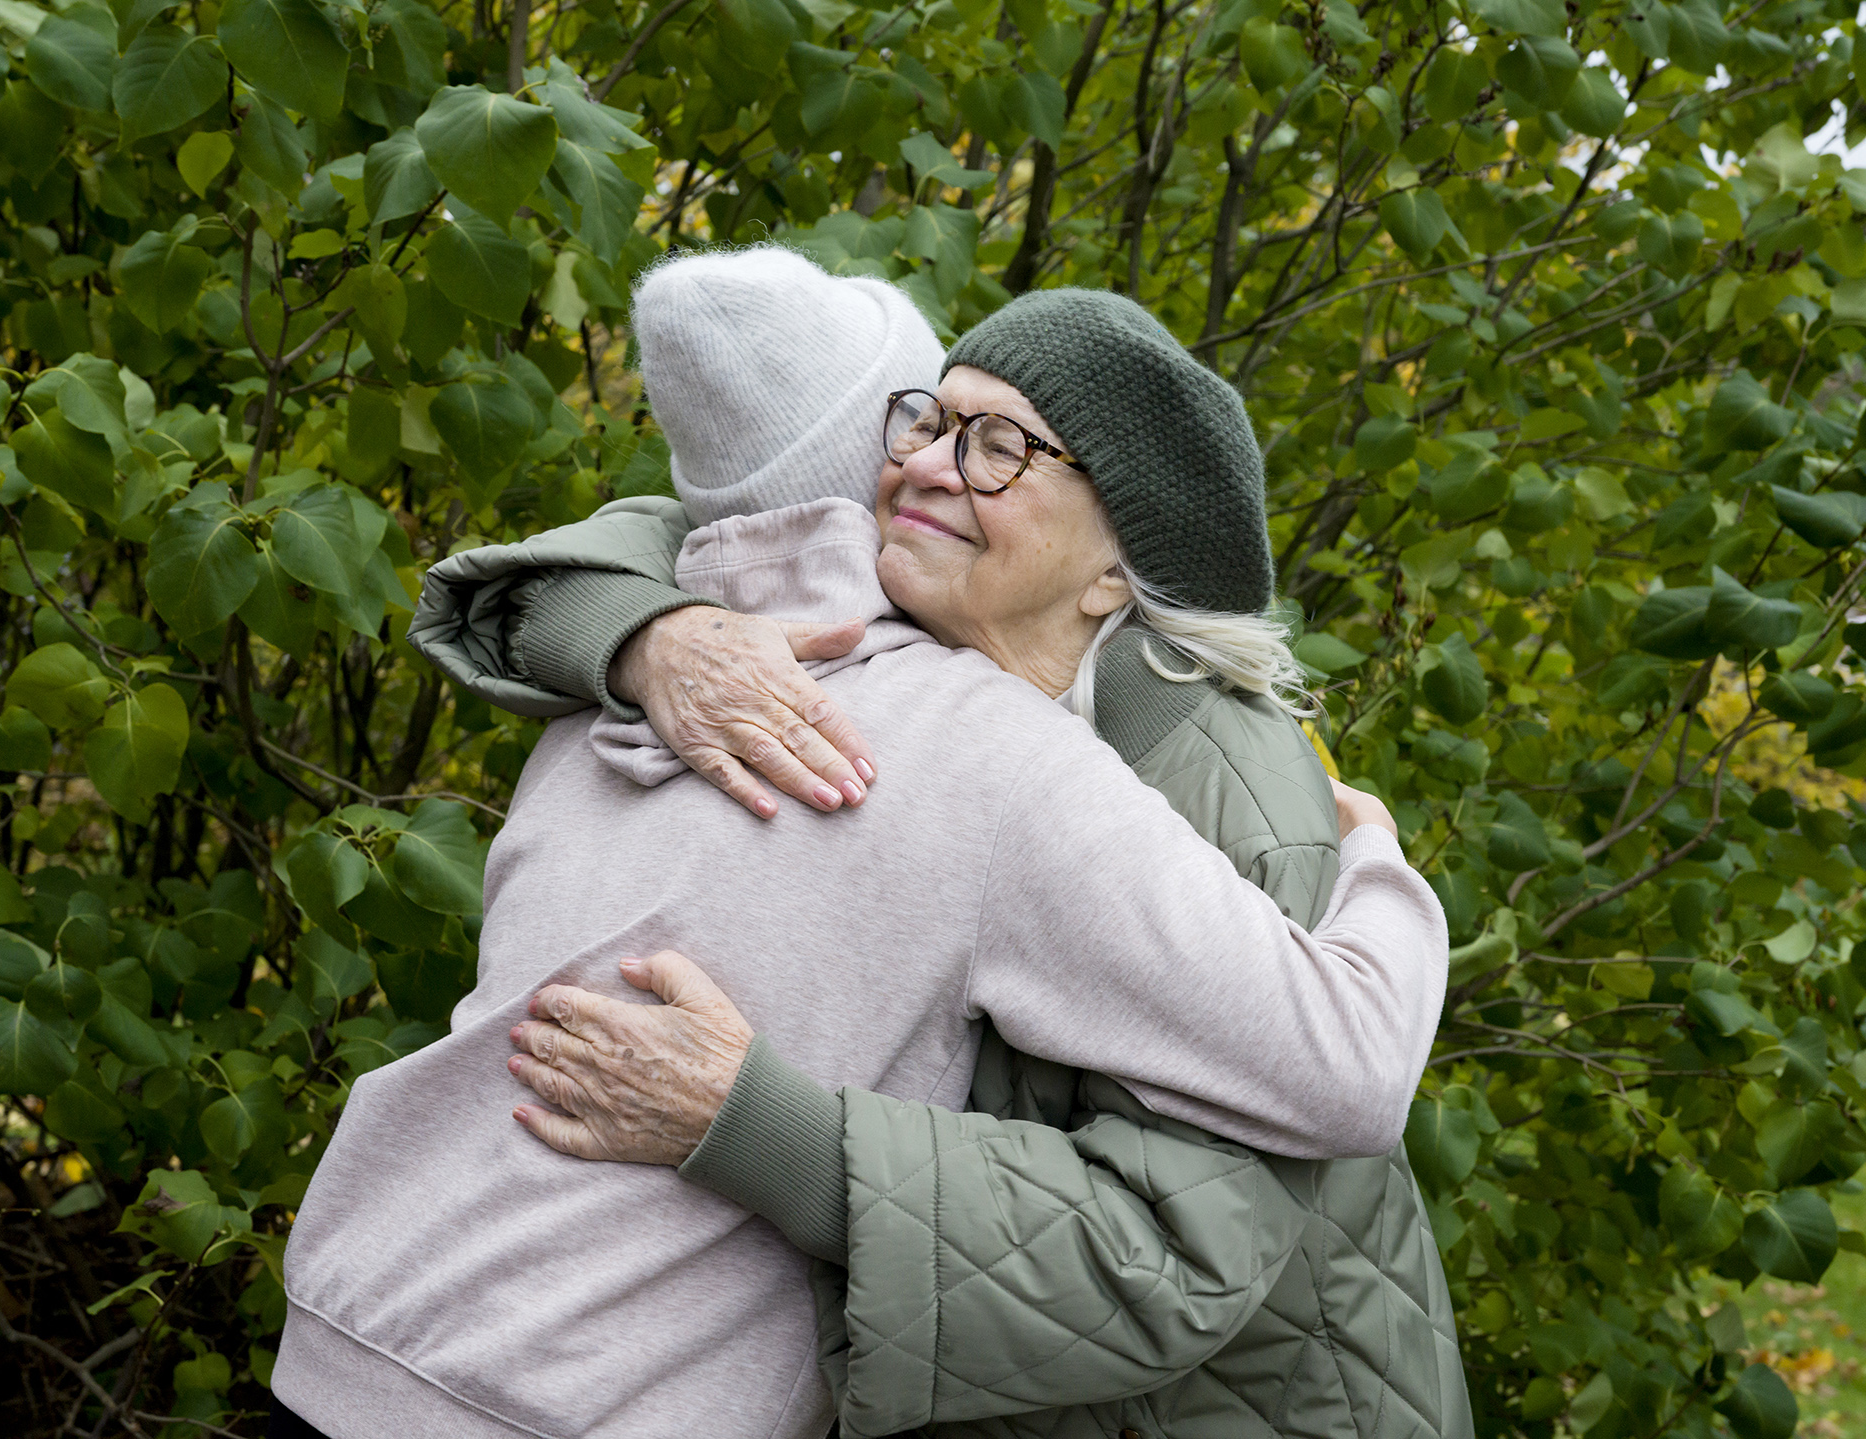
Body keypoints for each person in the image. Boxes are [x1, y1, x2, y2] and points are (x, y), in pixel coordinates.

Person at [401, 251, 1467, 1439]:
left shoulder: (1216, 790)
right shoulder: (919, 662)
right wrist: (652, 635)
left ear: (1122, 566)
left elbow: (1181, 1244)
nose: (919, 463)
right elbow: (676, 527)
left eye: (999, 447)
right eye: (927, 419)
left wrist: (757, 1125)